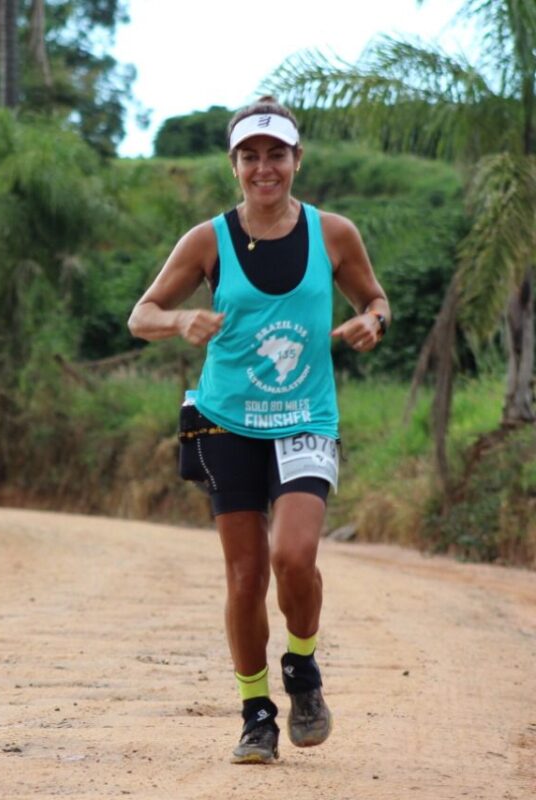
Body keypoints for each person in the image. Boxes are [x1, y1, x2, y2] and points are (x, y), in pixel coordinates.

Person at [127, 96, 390, 764]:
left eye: (277, 154)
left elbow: (374, 298)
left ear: (297, 160)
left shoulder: (334, 234)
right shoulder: (205, 240)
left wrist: (373, 322)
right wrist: (179, 321)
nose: (264, 167)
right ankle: (256, 712)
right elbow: (142, 314)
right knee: (245, 578)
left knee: (293, 557)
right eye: (251, 156)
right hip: (224, 425)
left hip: (306, 418)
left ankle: (301, 666)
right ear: (234, 165)